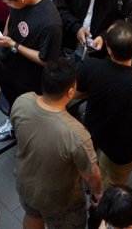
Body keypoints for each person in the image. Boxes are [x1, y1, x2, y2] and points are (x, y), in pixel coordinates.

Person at [10, 58, 103, 229]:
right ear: (70, 92)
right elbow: (91, 174)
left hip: (25, 183)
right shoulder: (76, 134)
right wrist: (98, 193)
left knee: (32, 214)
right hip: (60, 201)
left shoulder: (22, 101)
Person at [0, 0, 63, 143]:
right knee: (12, 101)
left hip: (27, 78)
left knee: (24, 109)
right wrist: (6, 33)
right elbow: (12, 13)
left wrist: (14, 45)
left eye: (8, 3)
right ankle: (13, 122)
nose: (8, 6)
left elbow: (47, 60)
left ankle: (21, 130)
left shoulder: (50, 24)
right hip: (8, 64)